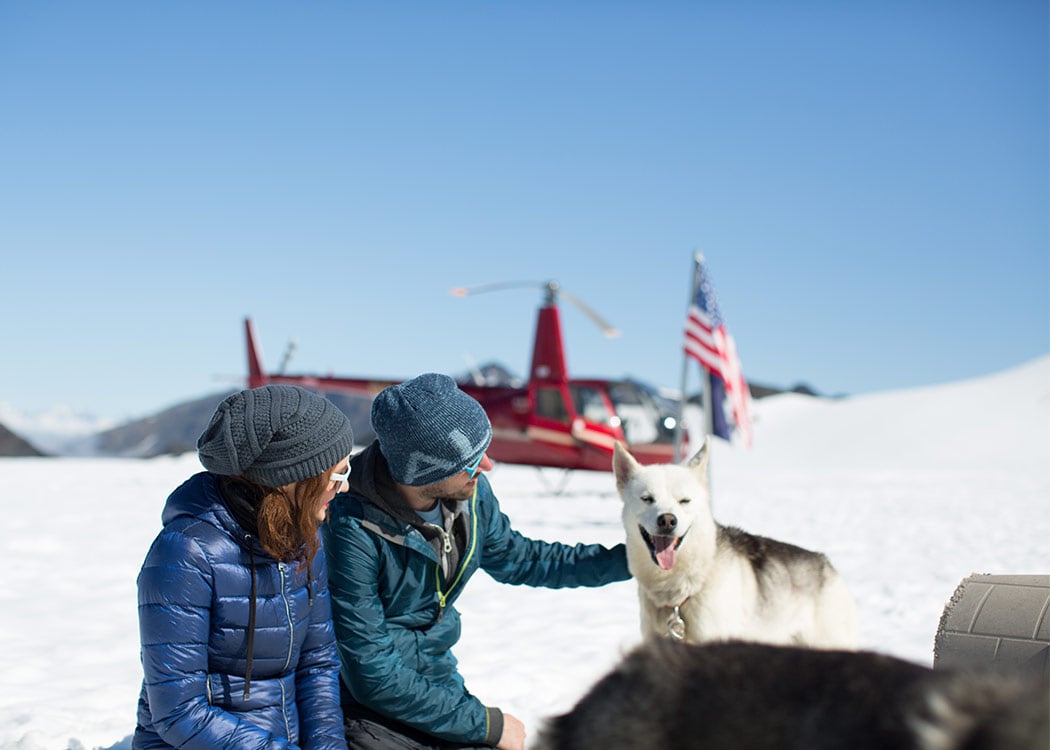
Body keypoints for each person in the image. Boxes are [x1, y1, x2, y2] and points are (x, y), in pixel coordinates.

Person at [322, 373, 632, 750]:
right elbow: (371, 672)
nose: (487, 466)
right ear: (423, 470)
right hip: (363, 708)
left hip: (438, 687)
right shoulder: (351, 524)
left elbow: (524, 559)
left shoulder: (470, 497)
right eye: (470, 462)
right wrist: (487, 724)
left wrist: (630, 561)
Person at [134, 384, 355, 749]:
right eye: (338, 475)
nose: (343, 489)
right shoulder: (186, 554)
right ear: (291, 478)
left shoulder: (305, 543)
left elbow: (318, 665)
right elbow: (179, 713)